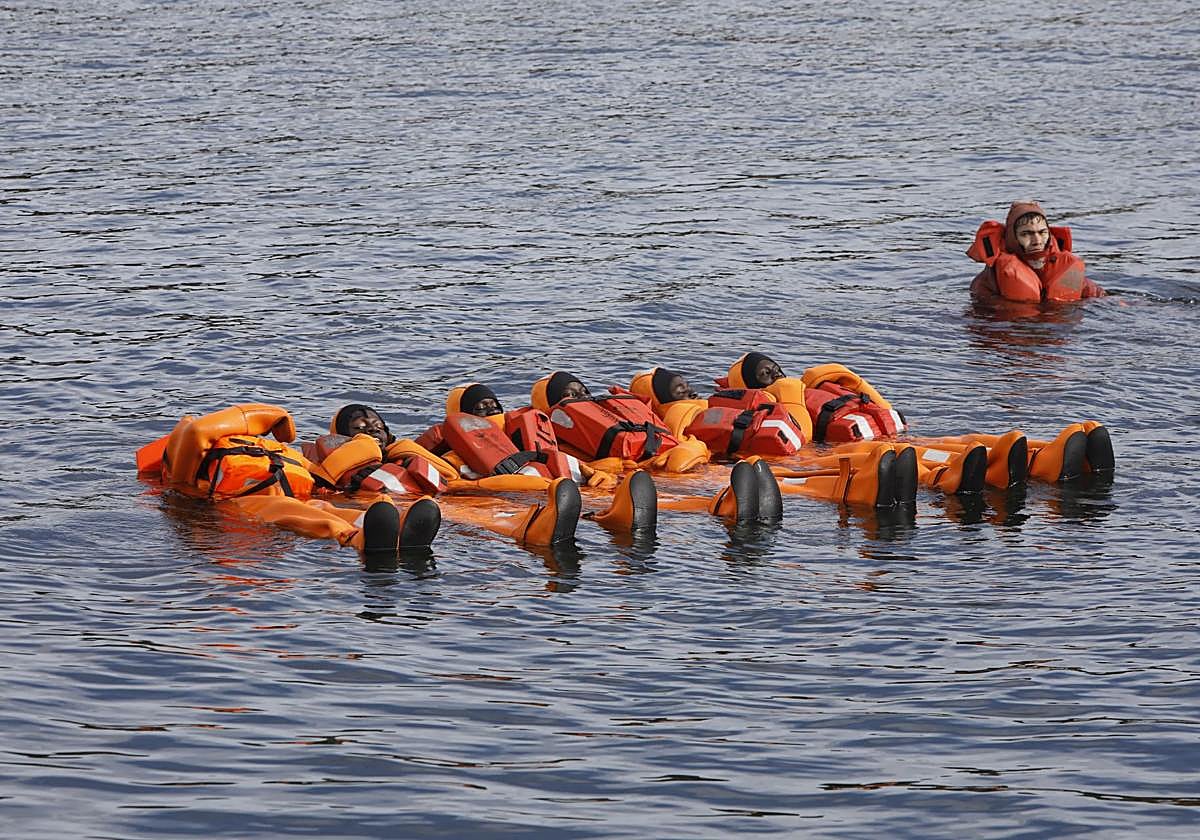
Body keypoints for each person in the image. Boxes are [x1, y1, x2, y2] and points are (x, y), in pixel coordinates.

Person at [723, 351, 1115, 487]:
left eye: (775, 368)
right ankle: (961, 476)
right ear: (751, 387)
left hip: (883, 438)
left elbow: (885, 410)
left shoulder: (808, 388)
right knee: (928, 459)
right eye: (765, 375)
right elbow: (800, 438)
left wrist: (849, 378)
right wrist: (789, 392)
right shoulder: (771, 404)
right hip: (830, 454)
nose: (776, 375)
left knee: (961, 440)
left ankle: (1043, 455)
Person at [135, 403, 441, 559]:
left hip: (295, 497)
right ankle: (358, 539)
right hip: (236, 506)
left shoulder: (271, 450)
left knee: (322, 507)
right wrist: (278, 417)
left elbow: (318, 480)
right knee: (294, 510)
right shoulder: (183, 469)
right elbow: (197, 431)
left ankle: (394, 528)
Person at [626, 365, 917, 508]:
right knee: (795, 480)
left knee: (866, 455)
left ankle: (933, 471)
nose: (690, 391)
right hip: (766, 463)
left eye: (688, 386)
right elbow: (682, 453)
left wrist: (853, 379)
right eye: (680, 390)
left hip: (792, 454)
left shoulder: (726, 404)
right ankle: (862, 488)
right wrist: (791, 395)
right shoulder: (680, 414)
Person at [968, 201, 1106, 303]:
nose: (1037, 241)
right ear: (1012, 238)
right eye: (1026, 234)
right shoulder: (987, 282)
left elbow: (1100, 297)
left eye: (1042, 232)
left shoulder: (1066, 268)